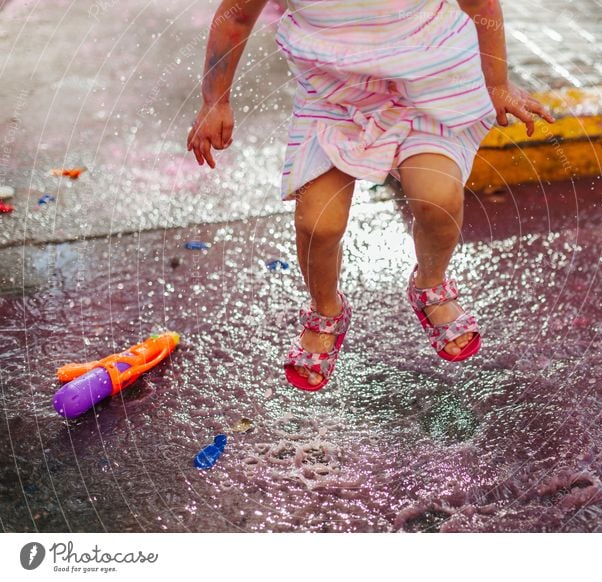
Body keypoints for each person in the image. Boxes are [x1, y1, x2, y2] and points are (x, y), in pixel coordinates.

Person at [187, 0, 555, 391]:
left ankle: (430, 283)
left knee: (438, 199)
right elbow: (236, 17)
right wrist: (215, 101)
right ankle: (326, 308)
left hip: (427, 83)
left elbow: (479, 3)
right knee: (317, 225)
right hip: (334, 95)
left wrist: (496, 82)